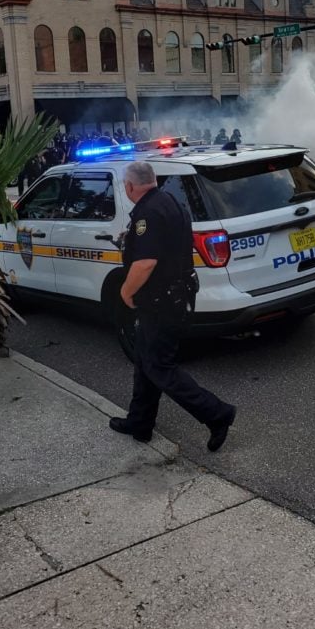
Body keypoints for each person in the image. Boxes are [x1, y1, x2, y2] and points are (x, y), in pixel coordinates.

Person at [109, 161, 236, 450]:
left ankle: (217, 414)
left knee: (159, 366)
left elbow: (145, 263)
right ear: (153, 180)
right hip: (172, 297)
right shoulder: (169, 201)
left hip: (160, 302)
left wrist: (126, 293)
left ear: (130, 187)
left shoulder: (148, 213)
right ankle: (139, 422)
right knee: (144, 360)